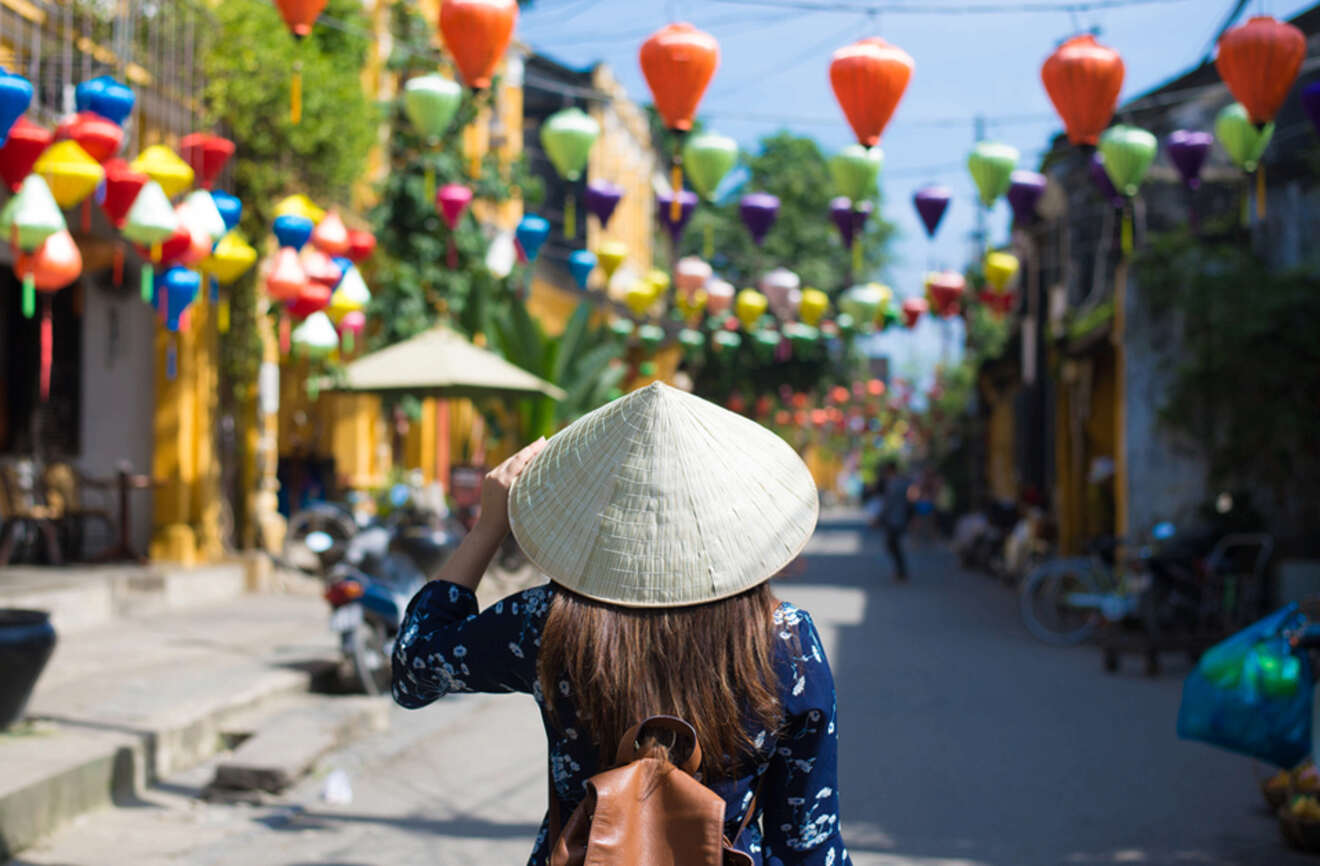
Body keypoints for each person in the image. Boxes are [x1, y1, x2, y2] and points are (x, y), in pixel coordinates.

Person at [392, 383, 851, 866]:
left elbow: (413, 669)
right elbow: (808, 838)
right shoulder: (787, 640)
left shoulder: (544, 623)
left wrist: (488, 526)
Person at [878, 461, 910, 582]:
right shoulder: (903, 482)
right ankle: (900, 571)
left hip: (894, 519)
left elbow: (888, 504)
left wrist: (879, 518)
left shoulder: (893, 484)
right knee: (893, 545)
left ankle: (901, 572)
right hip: (900, 518)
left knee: (893, 545)